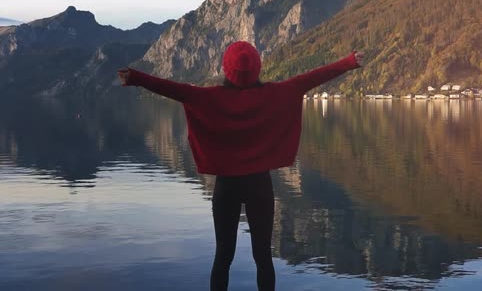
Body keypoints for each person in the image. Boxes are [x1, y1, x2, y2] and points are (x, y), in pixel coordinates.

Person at [118, 41, 364, 291]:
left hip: (227, 186)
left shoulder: (210, 97)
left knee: (223, 256)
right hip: (259, 185)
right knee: (263, 258)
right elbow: (310, 78)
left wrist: (136, 77)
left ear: (227, 69)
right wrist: (349, 62)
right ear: (257, 68)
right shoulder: (273, 94)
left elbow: (174, 89)